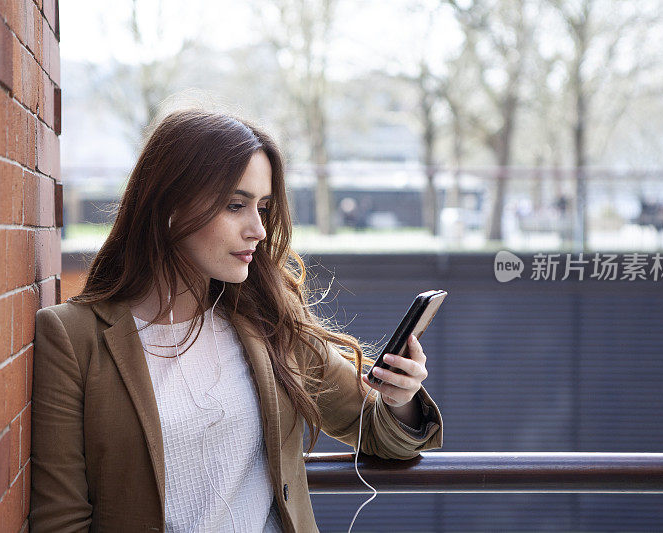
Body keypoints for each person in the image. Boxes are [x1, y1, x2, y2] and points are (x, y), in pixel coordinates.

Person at [29, 109, 443, 533]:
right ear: (169, 204)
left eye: (263, 207)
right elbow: (60, 520)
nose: (258, 229)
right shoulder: (73, 337)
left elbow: (379, 433)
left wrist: (400, 397)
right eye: (235, 205)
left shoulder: (268, 320)